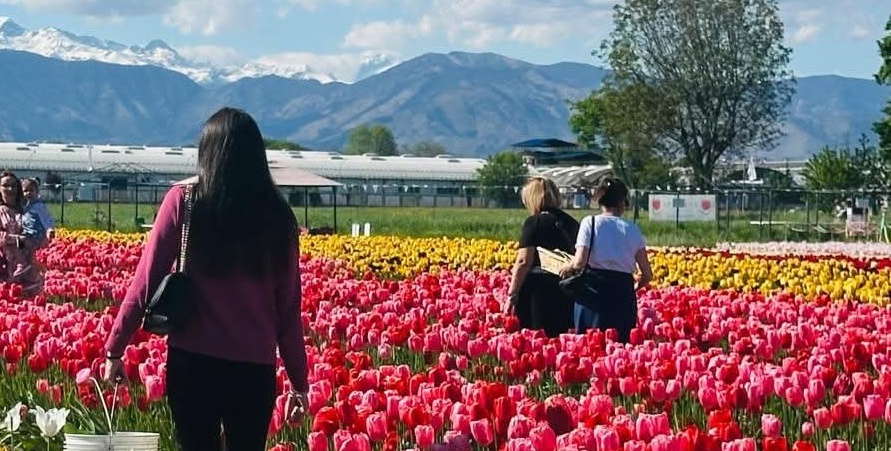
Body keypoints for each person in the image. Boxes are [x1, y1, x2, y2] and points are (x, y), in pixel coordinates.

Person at [102, 108, 309, 451]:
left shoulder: (184, 202)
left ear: (206, 152)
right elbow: (288, 308)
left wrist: (115, 348)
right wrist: (299, 382)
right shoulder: (278, 216)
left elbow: (146, 280)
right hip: (254, 367)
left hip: (193, 361)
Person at [558, 177, 652, 343]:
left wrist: (566, 266)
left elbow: (579, 262)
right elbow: (647, 274)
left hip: (593, 292)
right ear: (623, 202)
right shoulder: (632, 229)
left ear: (600, 200)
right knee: (620, 345)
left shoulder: (590, 222)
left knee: (590, 344)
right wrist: (635, 287)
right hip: (622, 293)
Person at [506, 176, 579, 337]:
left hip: (538, 290)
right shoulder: (572, 223)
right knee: (561, 338)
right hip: (566, 287)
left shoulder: (534, 222)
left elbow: (524, 261)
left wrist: (512, 294)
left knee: (538, 338)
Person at [0, 171, 45, 297]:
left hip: (28, 267)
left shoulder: (27, 210)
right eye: (5, 185)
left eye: (14, 185)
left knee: (31, 303)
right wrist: (20, 240)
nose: (10, 189)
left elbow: (39, 234)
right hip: (5, 268)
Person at [22, 178, 55, 245]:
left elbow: (46, 218)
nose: (28, 193)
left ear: (37, 192)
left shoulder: (39, 206)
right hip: (27, 235)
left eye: (31, 190)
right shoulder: (24, 206)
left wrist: (49, 229)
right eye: (25, 191)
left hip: (37, 235)